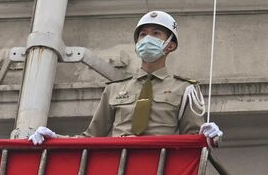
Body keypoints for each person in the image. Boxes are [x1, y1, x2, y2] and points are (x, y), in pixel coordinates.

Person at [29, 11, 223, 146]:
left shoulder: (185, 89)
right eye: (143, 35)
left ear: (170, 45)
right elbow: (91, 136)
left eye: (156, 33)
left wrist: (212, 137)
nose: (147, 39)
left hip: (159, 166)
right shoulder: (114, 90)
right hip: (118, 166)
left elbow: (195, 140)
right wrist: (55, 138)